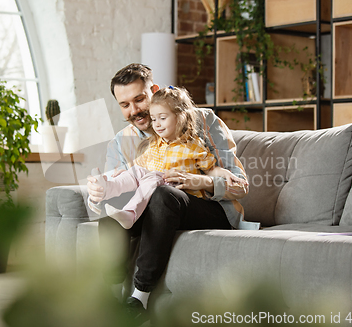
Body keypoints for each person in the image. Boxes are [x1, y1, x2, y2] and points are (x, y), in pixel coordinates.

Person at [87, 63, 248, 322]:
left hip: (205, 208)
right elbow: (118, 190)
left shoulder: (203, 121)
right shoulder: (121, 142)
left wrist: (199, 181)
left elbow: (238, 184)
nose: (135, 111)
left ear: (154, 91)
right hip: (153, 209)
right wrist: (98, 191)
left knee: (163, 196)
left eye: (139, 100)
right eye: (124, 105)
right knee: (109, 221)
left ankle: (140, 299)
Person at [89, 86, 246, 229]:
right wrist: (120, 175)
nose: (156, 124)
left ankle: (130, 213)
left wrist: (224, 173)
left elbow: (211, 168)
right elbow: (138, 167)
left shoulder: (193, 146)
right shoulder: (154, 144)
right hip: (156, 188)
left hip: (176, 193)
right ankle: (108, 187)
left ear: (179, 117)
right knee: (137, 172)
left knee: (154, 182)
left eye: (162, 118)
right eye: (154, 119)